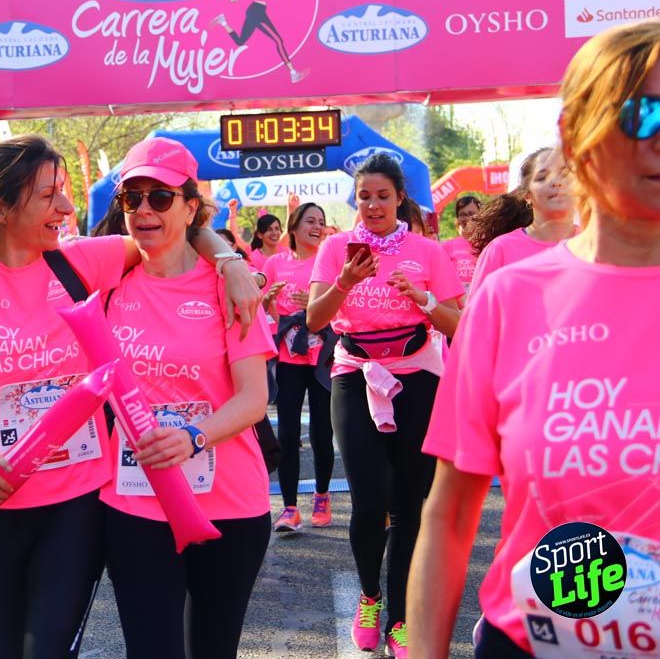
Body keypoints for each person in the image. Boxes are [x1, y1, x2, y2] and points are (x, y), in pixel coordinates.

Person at [0, 134, 261, 659]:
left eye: (65, 191)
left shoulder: (82, 263)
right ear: (3, 207)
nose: (67, 207)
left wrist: (231, 260)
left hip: (75, 503)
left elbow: (178, 235)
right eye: (49, 195)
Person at [409, 19, 660, 659]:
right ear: (578, 134)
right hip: (531, 643)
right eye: (644, 114)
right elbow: (448, 513)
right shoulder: (509, 297)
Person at [99, 139, 276, 659]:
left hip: (228, 504)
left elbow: (254, 399)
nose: (145, 210)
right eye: (133, 199)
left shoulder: (228, 288)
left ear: (190, 206)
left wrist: (193, 437)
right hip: (134, 499)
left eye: (161, 197)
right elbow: (25, 254)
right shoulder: (108, 281)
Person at [306, 153, 464, 658]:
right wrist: (345, 284)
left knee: (408, 507)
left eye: (382, 195)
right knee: (370, 501)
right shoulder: (335, 248)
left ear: (399, 198)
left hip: (416, 377)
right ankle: (369, 597)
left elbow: (457, 325)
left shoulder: (427, 251)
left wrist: (421, 298)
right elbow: (313, 320)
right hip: (355, 377)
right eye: (364, 195)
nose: (372, 204)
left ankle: (399, 618)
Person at [263, 203, 334, 532]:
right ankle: (289, 507)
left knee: (323, 433)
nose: (317, 227)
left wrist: (316, 306)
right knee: (288, 434)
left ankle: (322, 496)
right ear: (294, 226)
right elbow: (264, 309)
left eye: (321, 222)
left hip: (321, 357)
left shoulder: (330, 259)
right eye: (310, 221)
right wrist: (268, 302)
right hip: (289, 357)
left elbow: (341, 305)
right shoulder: (276, 263)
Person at [467, 146, 576, 291]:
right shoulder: (500, 250)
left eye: (564, 174)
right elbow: (477, 312)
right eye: (542, 177)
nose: (556, 182)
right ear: (527, 195)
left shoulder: (600, 245)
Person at [212, 0, 306, 83]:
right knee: (278, 40)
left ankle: (223, 22)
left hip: (258, 11)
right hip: (255, 11)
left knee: (240, 42)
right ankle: (293, 73)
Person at [440, 195, 481, 295]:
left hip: (482, 300)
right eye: (462, 214)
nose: (466, 218)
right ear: (458, 219)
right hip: (457, 305)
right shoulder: (447, 247)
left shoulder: (489, 244)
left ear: (480, 215)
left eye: (471, 213)